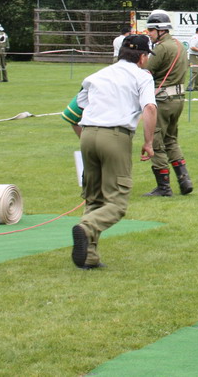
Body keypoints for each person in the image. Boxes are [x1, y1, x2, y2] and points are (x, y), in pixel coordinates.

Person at [71, 34, 157, 270]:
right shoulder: (142, 76)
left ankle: (89, 255)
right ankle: (87, 227)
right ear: (142, 57)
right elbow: (150, 108)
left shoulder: (97, 75)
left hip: (88, 134)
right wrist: (148, 142)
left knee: (94, 197)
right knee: (117, 203)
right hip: (115, 136)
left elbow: (77, 107)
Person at [143, 10, 194, 196]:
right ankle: (184, 179)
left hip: (163, 100)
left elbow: (147, 72)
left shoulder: (161, 48)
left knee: (156, 142)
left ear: (160, 30)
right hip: (178, 99)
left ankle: (163, 187)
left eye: (151, 30)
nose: (149, 33)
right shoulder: (179, 45)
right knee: (171, 140)